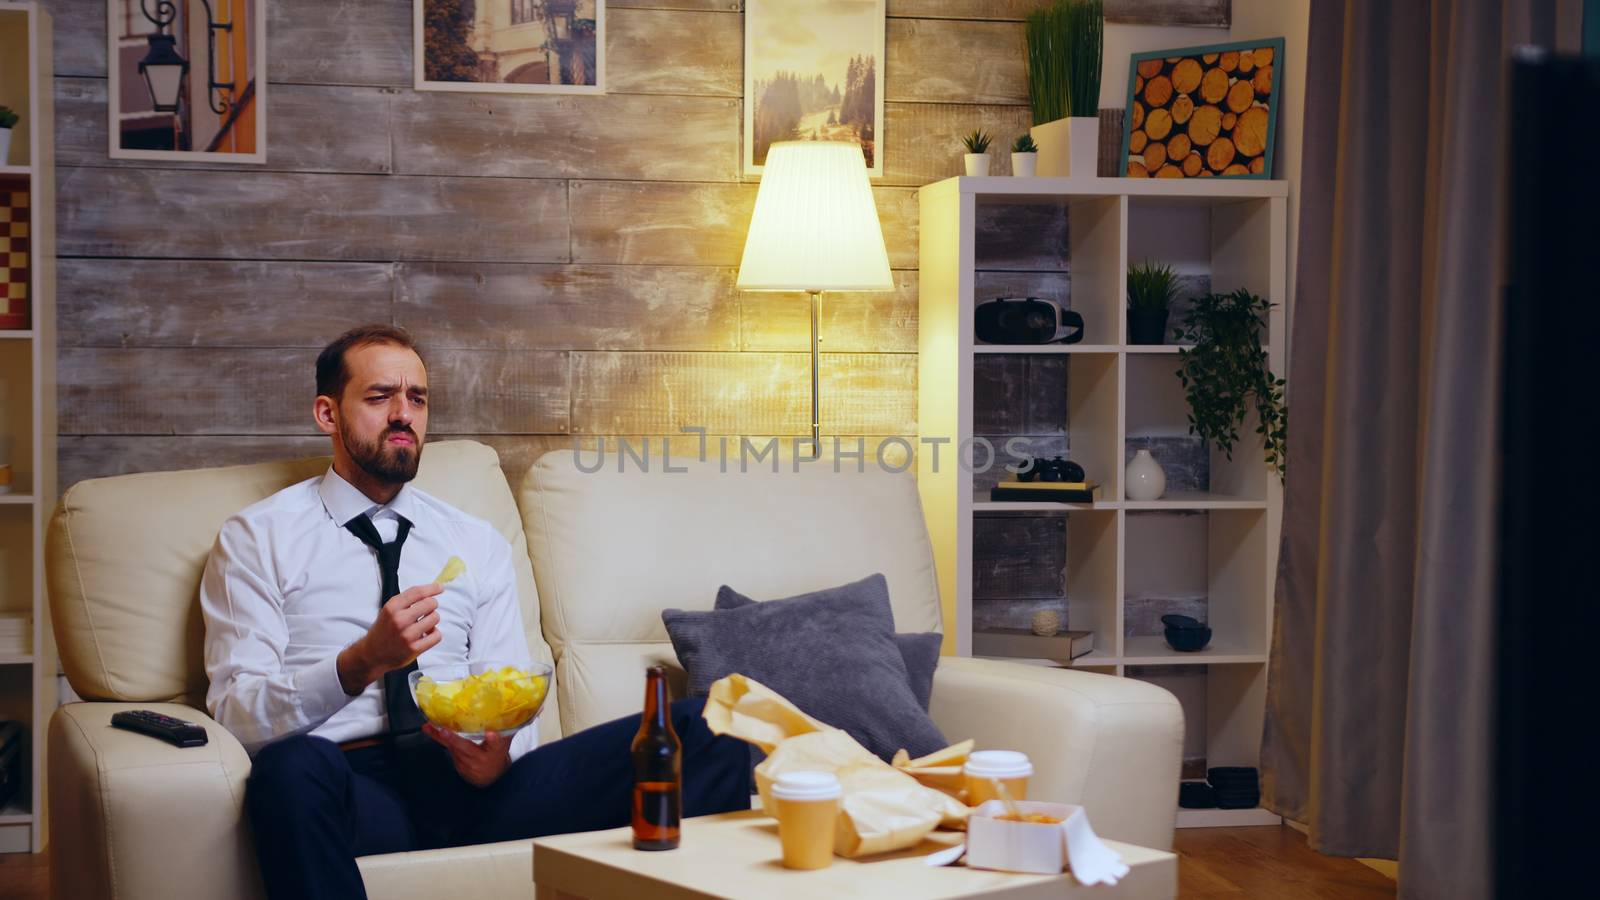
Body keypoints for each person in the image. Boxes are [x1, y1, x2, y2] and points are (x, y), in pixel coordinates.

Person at [201, 325, 750, 900]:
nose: (403, 414)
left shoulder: (474, 540)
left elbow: (508, 682)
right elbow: (237, 714)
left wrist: (501, 753)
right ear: (327, 413)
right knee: (291, 768)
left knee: (710, 722)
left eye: (417, 398)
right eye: (380, 396)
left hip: (473, 783)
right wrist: (359, 663)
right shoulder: (258, 537)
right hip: (349, 784)